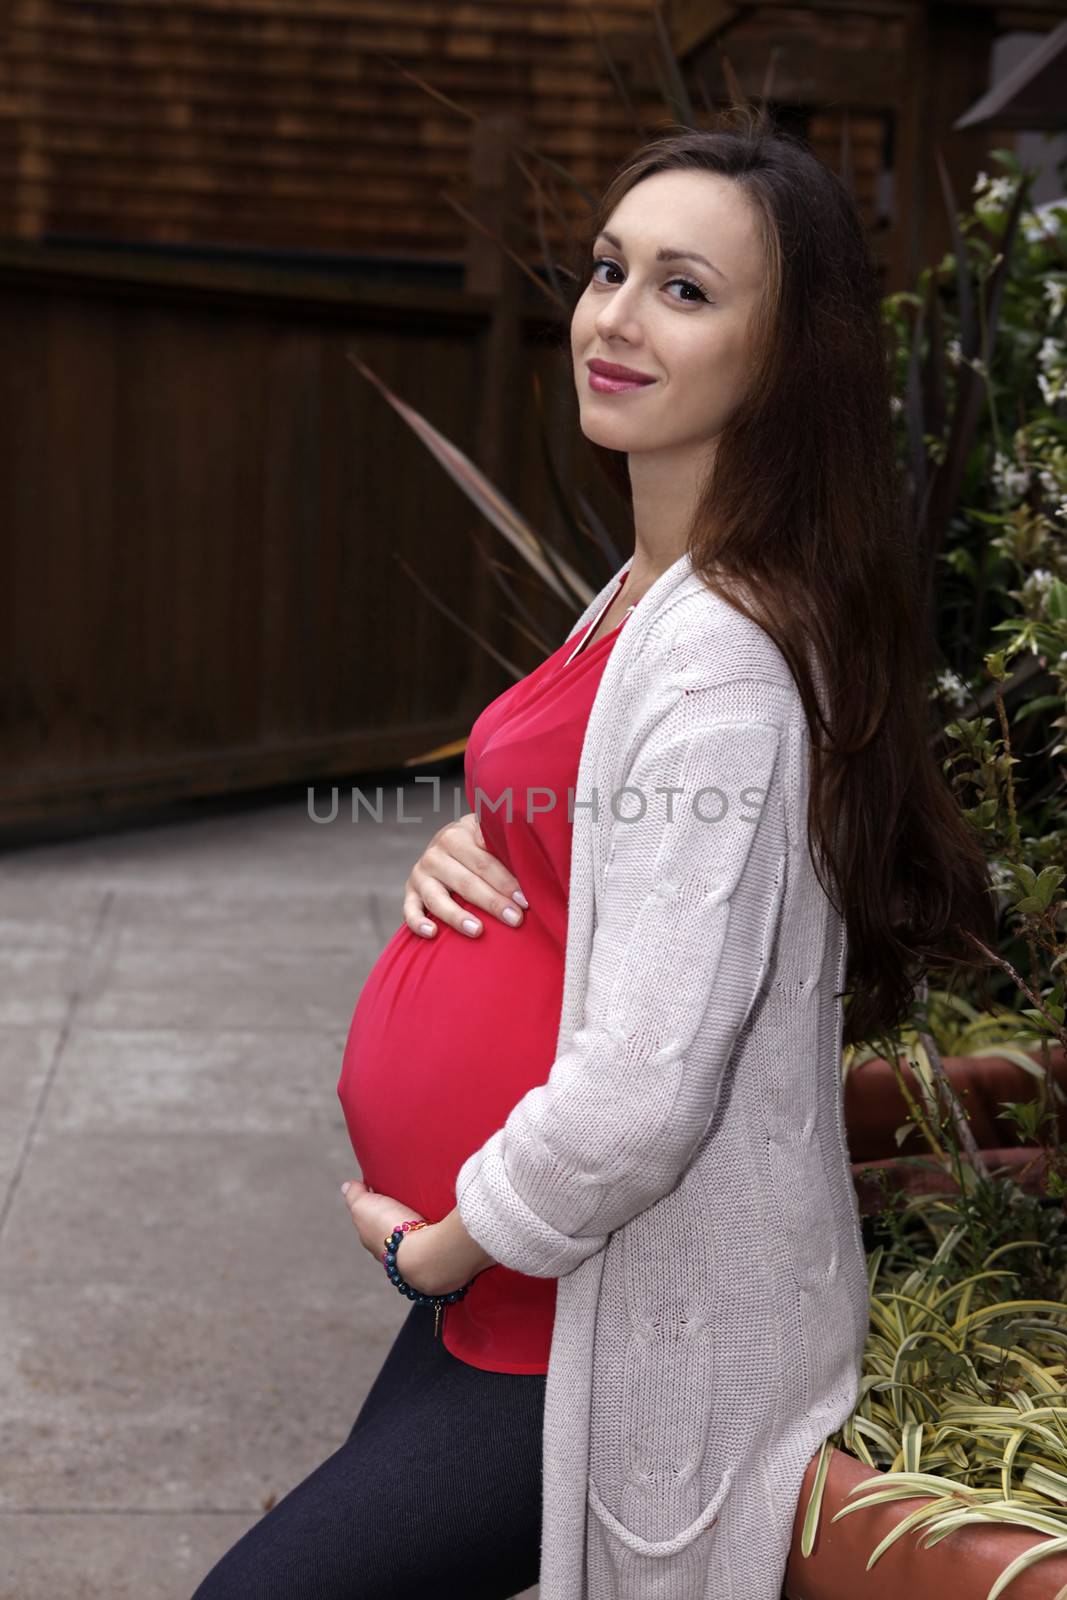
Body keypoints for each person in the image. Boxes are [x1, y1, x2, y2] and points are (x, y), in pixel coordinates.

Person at [190, 107, 997, 1600]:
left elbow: (643, 1095)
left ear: (785, 354)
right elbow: (605, 838)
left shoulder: (726, 665)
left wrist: (435, 1249)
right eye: (609, 269)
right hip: (517, 1297)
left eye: (686, 290)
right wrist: (473, 847)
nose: (616, 320)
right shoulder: (647, 595)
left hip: (592, 1312)